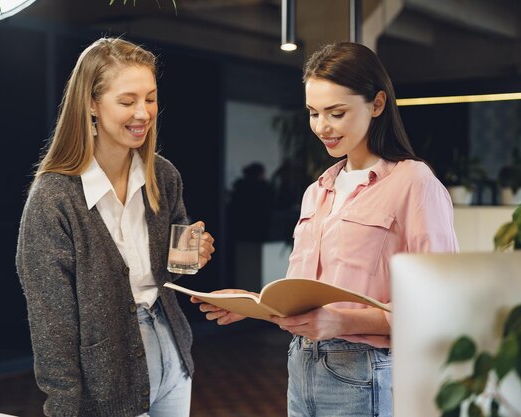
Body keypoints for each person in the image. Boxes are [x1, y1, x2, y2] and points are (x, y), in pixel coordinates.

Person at [191, 41, 458, 417]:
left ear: (377, 104)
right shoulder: (317, 191)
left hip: (365, 370)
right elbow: (307, 305)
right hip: (301, 365)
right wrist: (252, 306)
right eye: (313, 113)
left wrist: (342, 321)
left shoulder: (415, 183)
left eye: (336, 113)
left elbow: (438, 308)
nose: (322, 127)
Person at [16, 37, 215, 417]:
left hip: (173, 360)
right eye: (127, 101)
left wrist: (193, 254)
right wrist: (63, 406)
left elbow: (170, 269)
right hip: (107, 381)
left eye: (151, 98)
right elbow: (51, 322)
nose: (143, 113)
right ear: (91, 104)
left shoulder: (163, 175)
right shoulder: (54, 198)